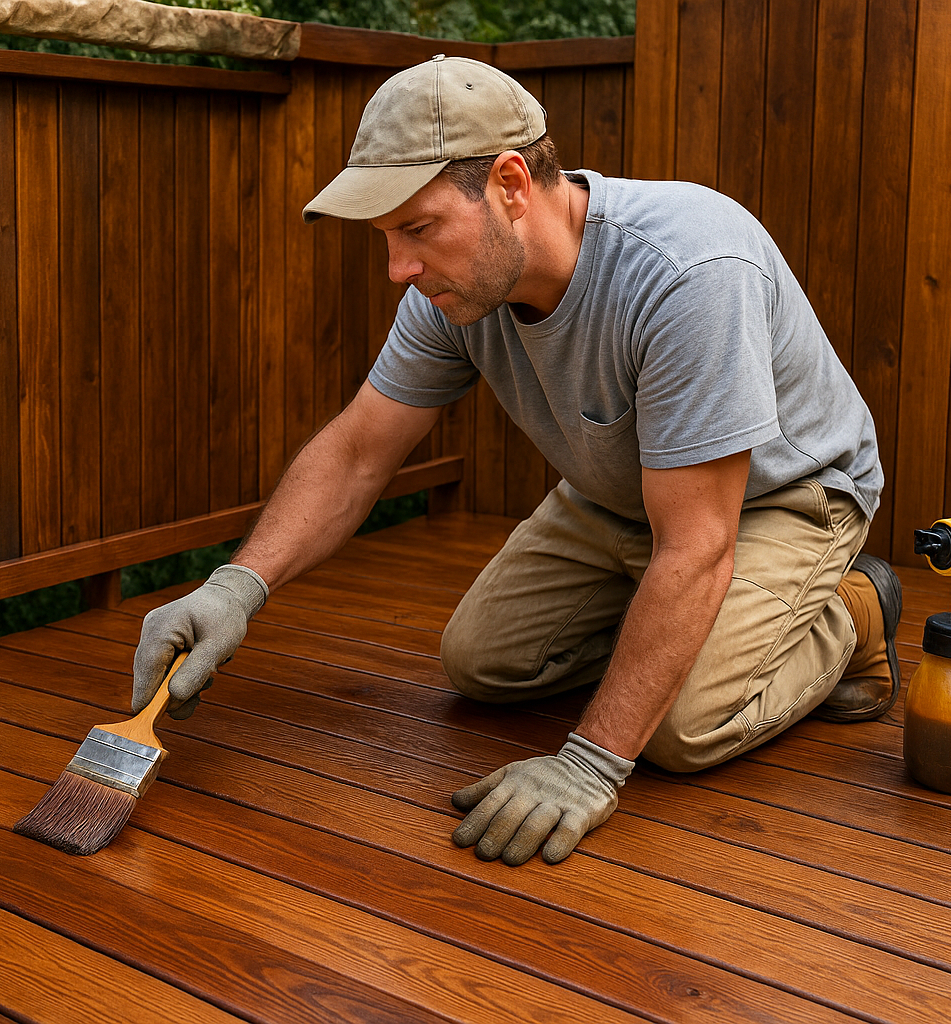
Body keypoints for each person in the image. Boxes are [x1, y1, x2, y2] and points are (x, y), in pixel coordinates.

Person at [131, 55, 900, 868]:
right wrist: (236, 586)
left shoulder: (687, 270)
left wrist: (591, 763)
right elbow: (360, 451)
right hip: (623, 498)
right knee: (484, 663)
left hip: (781, 499)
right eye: (387, 236)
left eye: (418, 229)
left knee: (677, 730)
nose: (398, 267)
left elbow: (699, 542)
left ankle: (852, 614)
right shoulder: (458, 293)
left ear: (509, 183)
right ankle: (697, 624)